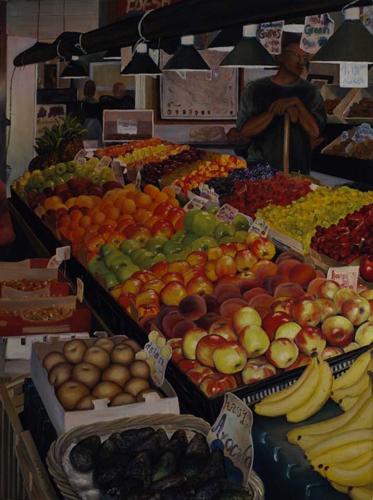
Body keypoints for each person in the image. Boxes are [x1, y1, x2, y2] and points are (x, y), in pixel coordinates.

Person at [227, 35, 327, 174]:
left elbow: (315, 132)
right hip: (259, 167)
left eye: (305, 57)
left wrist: (297, 103)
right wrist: (273, 112)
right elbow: (244, 131)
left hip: (297, 168)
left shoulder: (311, 92)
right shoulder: (255, 89)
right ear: (280, 56)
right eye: (295, 55)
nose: (301, 62)